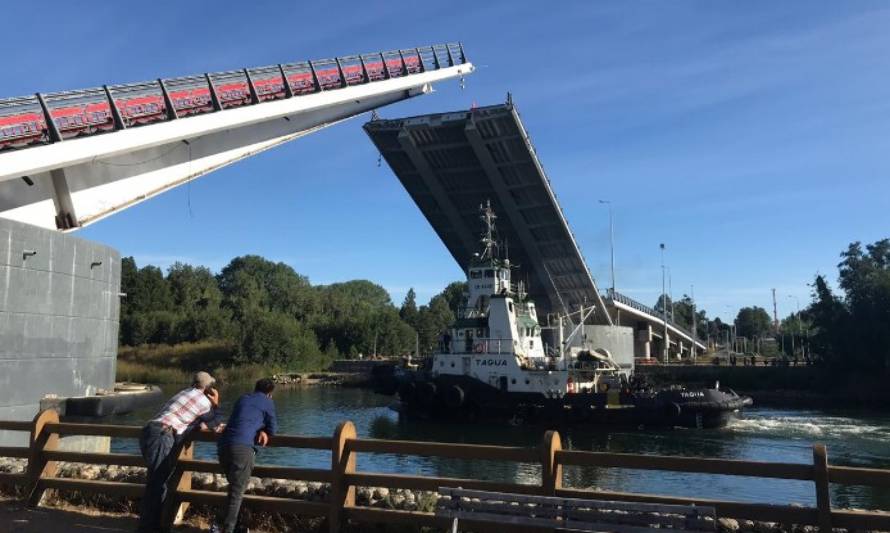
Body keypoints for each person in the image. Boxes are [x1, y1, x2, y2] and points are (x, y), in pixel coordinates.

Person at [138, 371, 221, 533]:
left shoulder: (183, 393)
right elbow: (215, 423)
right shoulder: (204, 402)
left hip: (150, 431)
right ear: (208, 388)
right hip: (163, 435)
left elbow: (189, 419)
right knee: (158, 484)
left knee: (156, 481)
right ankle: (150, 528)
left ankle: (151, 525)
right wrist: (216, 404)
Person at [212, 378, 278, 533]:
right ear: (270, 393)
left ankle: (232, 527)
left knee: (234, 489)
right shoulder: (267, 402)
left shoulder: (243, 398)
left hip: (223, 446)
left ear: (255, 388)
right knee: (236, 492)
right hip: (242, 448)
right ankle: (225, 528)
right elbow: (273, 429)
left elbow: (242, 420)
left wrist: (260, 428)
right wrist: (264, 430)